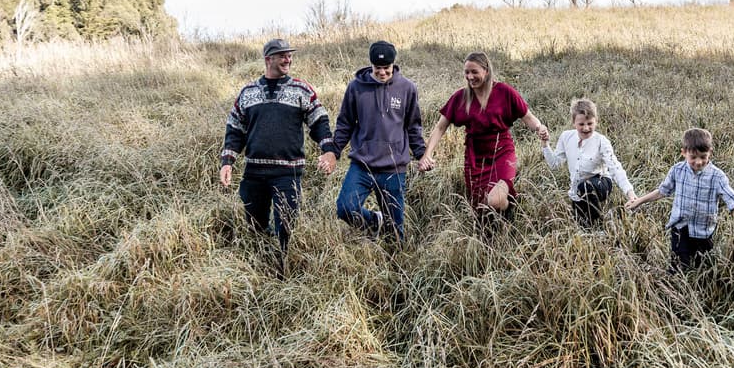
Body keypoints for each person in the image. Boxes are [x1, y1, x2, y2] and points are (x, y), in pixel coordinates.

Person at [220, 38, 338, 262]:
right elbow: (235, 129)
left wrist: (328, 150)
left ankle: (283, 269)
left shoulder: (301, 89)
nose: (288, 59)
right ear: (268, 59)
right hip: (253, 173)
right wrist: (227, 162)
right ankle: (260, 268)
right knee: (255, 227)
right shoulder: (248, 92)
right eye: (282, 55)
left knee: (287, 228)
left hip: (288, 173)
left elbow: (319, 122)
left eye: (289, 55)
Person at [418, 51, 548, 225]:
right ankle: (496, 233)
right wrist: (427, 154)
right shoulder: (461, 97)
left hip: (502, 152)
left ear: (486, 71)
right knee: (481, 213)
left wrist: (540, 128)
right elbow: (441, 126)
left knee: (495, 201)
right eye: (466, 72)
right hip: (475, 158)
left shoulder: (504, 91)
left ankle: (510, 209)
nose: (470, 77)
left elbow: (528, 117)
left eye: (474, 72)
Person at [626, 127, 734, 270]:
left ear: (710, 153)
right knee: (679, 268)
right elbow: (662, 191)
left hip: (703, 233)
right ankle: (675, 288)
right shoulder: (677, 170)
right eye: (693, 157)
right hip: (680, 229)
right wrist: (639, 201)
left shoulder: (717, 176)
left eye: (703, 157)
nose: (698, 162)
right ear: (684, 153)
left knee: (703, 270)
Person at [327, 40, 426, 241]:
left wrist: (421, 154)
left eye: (386, 68)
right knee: (345, 208)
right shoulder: (356, 88)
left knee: (396, 234)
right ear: (371, 65)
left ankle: (394, 262)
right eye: (378, 68)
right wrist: (334, 151)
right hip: (362, 165)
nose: (382, 72)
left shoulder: (407, 88)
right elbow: (345, 123)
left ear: (394, 65)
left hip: (394, 167)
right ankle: (375, 221)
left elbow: (413, 126)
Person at [542, 98, 636, 227]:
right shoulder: (566, 137)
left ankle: (600, 226)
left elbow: (616, 168)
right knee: (582, 224)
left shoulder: (601, 141)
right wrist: (545, 144)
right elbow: (555, 164)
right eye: (581, 124)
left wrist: (630, 194)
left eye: (590, 123)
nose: (586, 128)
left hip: (601, 182)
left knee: (586, 189)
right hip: (578, 189)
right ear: (574, 123)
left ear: (596, 122)